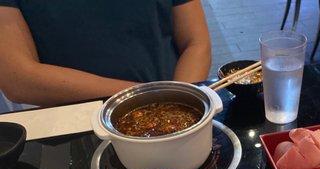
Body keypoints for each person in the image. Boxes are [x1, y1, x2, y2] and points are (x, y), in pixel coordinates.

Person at [0, 0, 211, 106]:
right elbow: (18, 79)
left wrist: (181, 102)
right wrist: (151, 97)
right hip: (76, 128)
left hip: (172, 109)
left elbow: (195, 42)